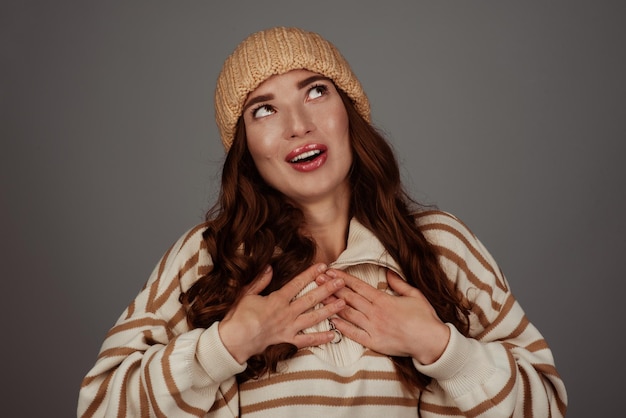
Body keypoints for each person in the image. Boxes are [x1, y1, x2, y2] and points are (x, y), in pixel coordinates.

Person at [78, 27, 567, 417]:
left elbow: (546, 407)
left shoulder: (441, 245)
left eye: (315, 91)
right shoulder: (208, 257)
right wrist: (223, 346)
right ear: (244, 148)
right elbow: (99, 407)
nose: (297, 125)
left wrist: (440, 347)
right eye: (263, 109)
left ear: (348, 112)